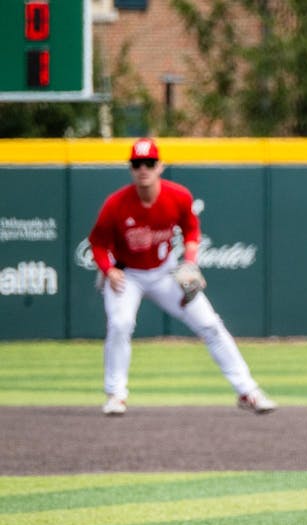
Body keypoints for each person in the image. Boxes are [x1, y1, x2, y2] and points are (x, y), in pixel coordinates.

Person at [88, 137, 277, 417]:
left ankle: (248, 391)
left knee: (211, 324)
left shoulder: (178, 196)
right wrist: (108, 269)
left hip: (166, 272)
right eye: (138, 164)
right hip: (128, 275)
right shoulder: (116, 204)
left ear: (160, 166)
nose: (144, 169)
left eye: (149, 163)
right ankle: (116, 395)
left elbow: (191, 229)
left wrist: (190, 263)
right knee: (120, 323)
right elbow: (98, 242)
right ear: (131, 168)